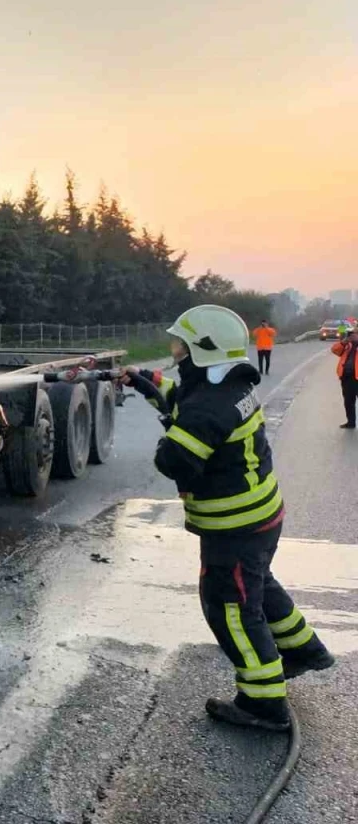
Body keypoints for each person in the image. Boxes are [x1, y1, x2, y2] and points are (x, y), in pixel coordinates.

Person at [118, 304, 333, 731]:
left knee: (230, 608)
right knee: (258, 585)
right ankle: (305, 649)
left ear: (201, 350)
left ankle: (263, 702)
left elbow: (176, 458)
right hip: (260, 517)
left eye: (179, 345)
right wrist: (150, 383)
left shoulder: (208, 406)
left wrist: (168, 433)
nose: (173, 350)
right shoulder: (230, 384)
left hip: (234, 527)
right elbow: (189, 402)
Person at [333, 323, 358, 429]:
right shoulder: (348, 344)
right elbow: (335, 350)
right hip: (347, 377)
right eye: (354, 332)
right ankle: (351, 422)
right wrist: (344, 342)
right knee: (348, 401)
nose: (354, 335)